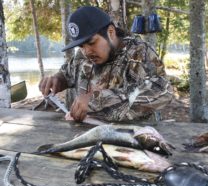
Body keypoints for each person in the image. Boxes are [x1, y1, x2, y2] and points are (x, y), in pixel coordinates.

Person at [39, 6, 173, 122]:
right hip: (86, 135)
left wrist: (97, 99)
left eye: (92, 43)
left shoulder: (138, 52)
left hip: (133, 139)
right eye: (81, 46)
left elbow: (162, 91)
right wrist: (57, 79)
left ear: (110, 32)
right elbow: (67, 73)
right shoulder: (83, 56)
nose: (87, 51)